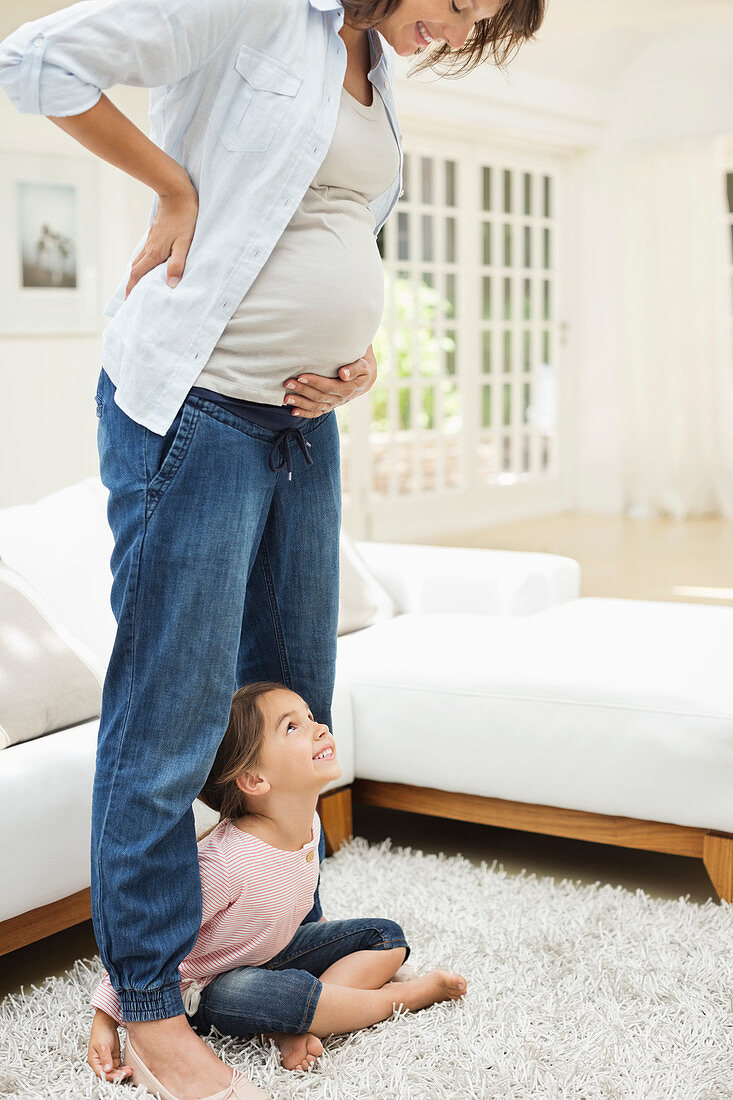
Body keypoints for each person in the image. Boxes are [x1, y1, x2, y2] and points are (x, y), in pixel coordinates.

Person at [0, 1, 545, 1097]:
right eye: (455, 5)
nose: (454, 31)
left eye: (480, 22)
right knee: (173, 711)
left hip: (306, 419)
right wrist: (171, 184)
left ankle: (269, 933)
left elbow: (330, 229)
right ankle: (152, 995)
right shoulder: (256, 11)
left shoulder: (375, 67)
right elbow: (37, 60)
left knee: (298, 699)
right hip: (197, 409)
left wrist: (355, 355)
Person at [87, 682, 468, 1087]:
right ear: (254, 780)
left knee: (386, 937)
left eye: (310, 717)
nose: (319, 727)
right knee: (283, 994)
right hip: (210, 989)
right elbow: (150, 935)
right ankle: (403, 999)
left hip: (271, 956)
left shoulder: (309, 823)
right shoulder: (225, 862)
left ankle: (295, 1025)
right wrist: (106, 1017)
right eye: (293, 727)